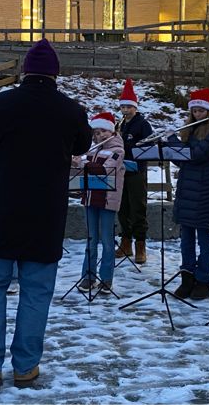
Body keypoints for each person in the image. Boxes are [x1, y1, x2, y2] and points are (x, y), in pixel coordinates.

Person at [0, 38, 91, 389]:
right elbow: (83, 144)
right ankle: (25, 367)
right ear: (55, 75)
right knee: (36, 293)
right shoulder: (70, 110)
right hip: (44, 219)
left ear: (25, 71)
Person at [172, 89, 209, 300]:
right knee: (186, 237)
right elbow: (181, 159)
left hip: (206, 188)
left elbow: (197, 155)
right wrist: (171, 146)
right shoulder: (189, 130)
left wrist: (173, 143)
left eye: (201, 110)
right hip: (187, 188)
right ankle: (187, 277)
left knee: (203, 237)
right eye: (194, 110)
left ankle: (203, 280)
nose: (197, 114)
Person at [74, 112, 126, 294]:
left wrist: (82, 164)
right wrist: (76, 162)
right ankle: (88, 276)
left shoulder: (118, 151)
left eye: (103, 131)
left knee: (106, 240)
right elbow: (82, 168)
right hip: (90, 197)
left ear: (112, 131)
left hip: (107, 200)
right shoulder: (92, 150)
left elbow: (106, 169)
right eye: (96, 132)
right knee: (91, 239)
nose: (100, 135)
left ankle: (106, 279)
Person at [115, 78, 153, 264]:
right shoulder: (120, 125)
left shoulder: (142, 124)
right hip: (121, 171)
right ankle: (125, 242)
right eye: (123, 107)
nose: (125, 110)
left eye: (129, 107)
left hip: (137, 171)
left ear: (135, 107)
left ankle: (140, 244)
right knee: (122, 208)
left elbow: (148, 144)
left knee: (138, 207)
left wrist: (128, 146)